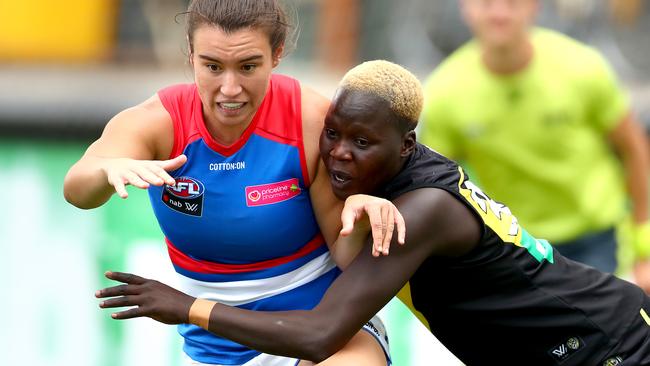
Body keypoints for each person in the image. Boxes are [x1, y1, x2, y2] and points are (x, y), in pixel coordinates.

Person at [96, 60, 650, 365]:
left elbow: (319, 335)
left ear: (406, 147)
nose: (338, 152)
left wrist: (188, 306)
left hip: (607, 344)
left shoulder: (423, 210)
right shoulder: (376, 186)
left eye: (362, 142)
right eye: (333, 133)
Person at [64, 1, 404, 365]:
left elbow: (345, 254)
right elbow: (77, 190)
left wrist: (362, 217)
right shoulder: (157, 121)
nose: (230, 88)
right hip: (214, 346)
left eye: (248, 67)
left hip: (326, 334)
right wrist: (106, 170)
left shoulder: (311, 120)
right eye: (212, 66)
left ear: (276, 55)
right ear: (191, 56)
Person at [419, 0, 650, 290]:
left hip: (598, 240)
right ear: (465, 7)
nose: (499, 13)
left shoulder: (582, 67)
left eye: (513, 3)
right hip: (517, 246)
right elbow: (433, 186)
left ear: (534, 6)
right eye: (486, 3)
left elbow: (634, 149)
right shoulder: (445, 92)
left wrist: (645, 245)